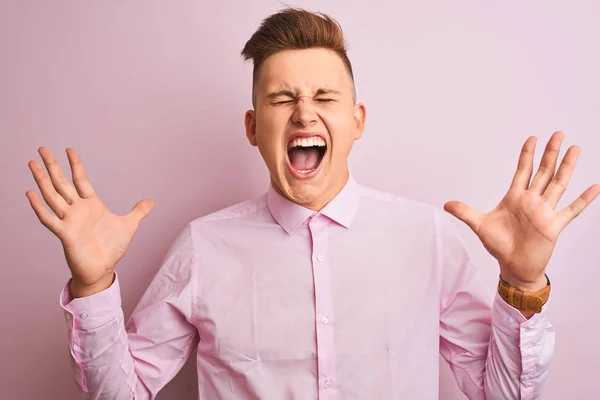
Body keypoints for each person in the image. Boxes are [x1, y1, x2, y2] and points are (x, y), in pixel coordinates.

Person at [25, 8, 599, 400]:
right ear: (253, 127)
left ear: (356, 121)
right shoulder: (204, 246)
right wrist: (95, 285)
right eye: (281, 98)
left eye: (324, 96)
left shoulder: (428, 238)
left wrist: (524, 280)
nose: (304, 113)